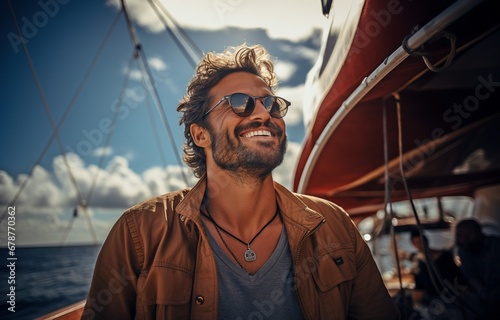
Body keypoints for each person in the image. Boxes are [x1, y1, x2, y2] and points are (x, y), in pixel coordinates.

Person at [82, 44, 400, 319]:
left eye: (271, 103)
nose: (264, 114)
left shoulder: (334, 225)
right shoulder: (139, 234)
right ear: (200, 133)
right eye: (239, 102)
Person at [404, 228, 467, 317]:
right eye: (416, 243)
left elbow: (457, 277)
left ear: (426, 240)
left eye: (421, 242)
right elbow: (420, 285)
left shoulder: (444, 256)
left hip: (450, 300)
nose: (419, 245)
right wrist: (416, 305)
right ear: (413, 245)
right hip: (433, 301)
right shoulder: (420, 262)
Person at [455, 218, 500, 319]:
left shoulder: (496, 246)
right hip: (483, 296)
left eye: (461, 235)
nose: (459, 240)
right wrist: (482, 292)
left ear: (474, 233)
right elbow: (470, 274)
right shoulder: (464, 250)